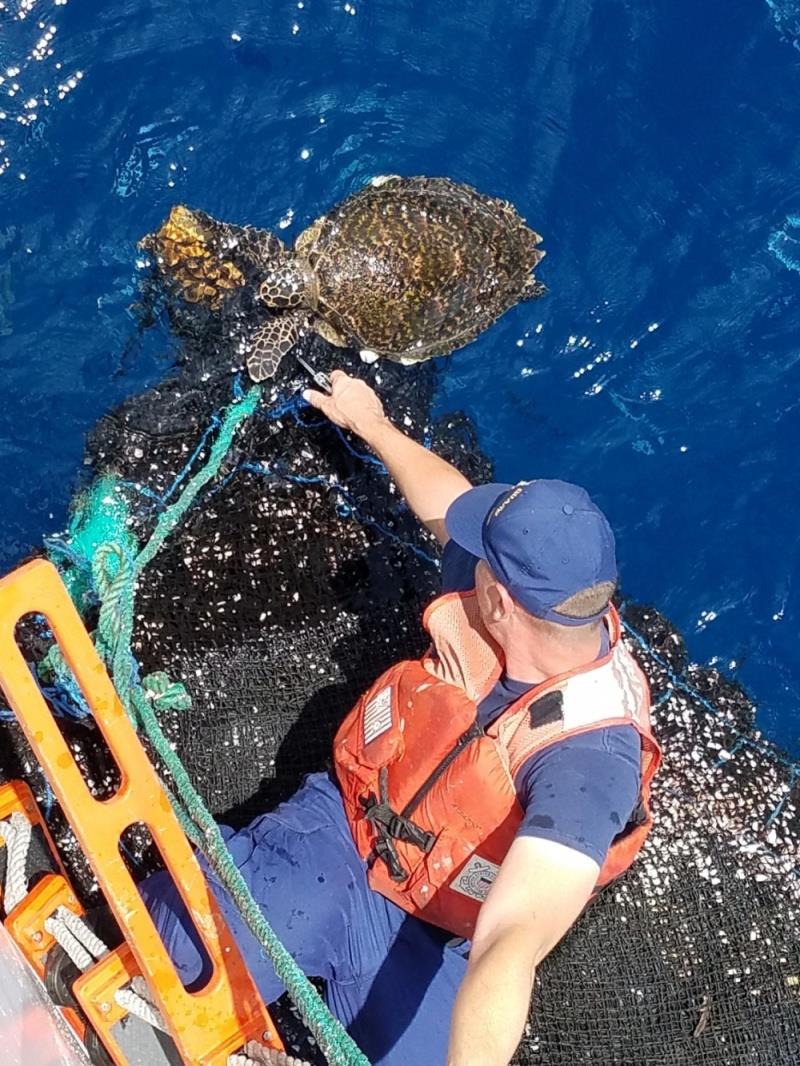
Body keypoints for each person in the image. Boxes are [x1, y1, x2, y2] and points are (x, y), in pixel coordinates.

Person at [143, 370, 661, 1066]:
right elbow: (447, 505)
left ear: (503, 601)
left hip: (429, 931)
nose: (465, 558)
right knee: (178, 960)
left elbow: (511, 941)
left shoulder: (590, 763)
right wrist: (372, 423)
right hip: (341, 833)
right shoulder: (544, 610)